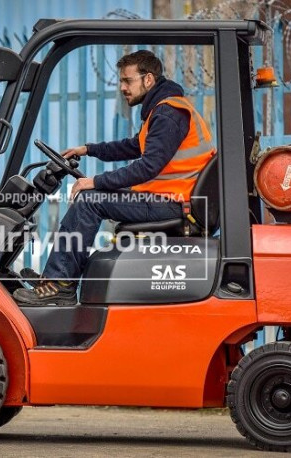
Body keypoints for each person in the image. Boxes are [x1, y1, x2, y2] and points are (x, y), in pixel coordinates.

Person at [13, 50, 215, 306]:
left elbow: (147, 167)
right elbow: (134, 146)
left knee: (89, 200)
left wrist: (96, 181)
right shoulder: (162, 109)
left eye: (127, 81)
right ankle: (57, 277)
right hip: (167, 198)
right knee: (90, 197)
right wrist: (88, 149)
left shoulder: (167, 114)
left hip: (173, 202)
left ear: (148, 79)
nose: (122, 87)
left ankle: (60, 283)